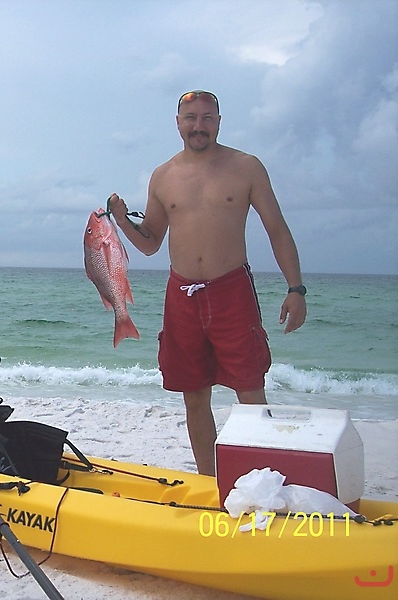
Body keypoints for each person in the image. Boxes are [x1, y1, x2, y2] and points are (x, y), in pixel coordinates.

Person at [109, 90, 307, 476]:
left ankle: (259, 480)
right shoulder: (163, 176)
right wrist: (121, 219)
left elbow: (277, 230)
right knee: (194, 396)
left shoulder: (246, 167)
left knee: (250, 390)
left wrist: (295, 288)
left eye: (207, 117)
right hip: (181, 294)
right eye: (191, 117)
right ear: (178, 122)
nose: (199, 125)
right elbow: (150, 242)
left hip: (231, 290)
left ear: (218, 120)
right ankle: (209, 482)